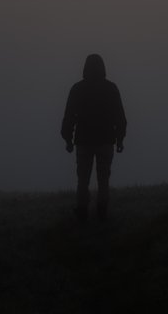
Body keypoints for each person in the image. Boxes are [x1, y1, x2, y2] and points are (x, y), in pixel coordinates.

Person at [61, 54, 127, 221]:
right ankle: (102, 211)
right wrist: (120, 139)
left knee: (83, 179)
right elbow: (120, 116)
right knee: (103, 179)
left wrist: (68, 139)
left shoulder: (77, 89)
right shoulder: (111, 88)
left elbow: (69, 116)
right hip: (106, 141)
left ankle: (82, 210)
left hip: (83, 141)